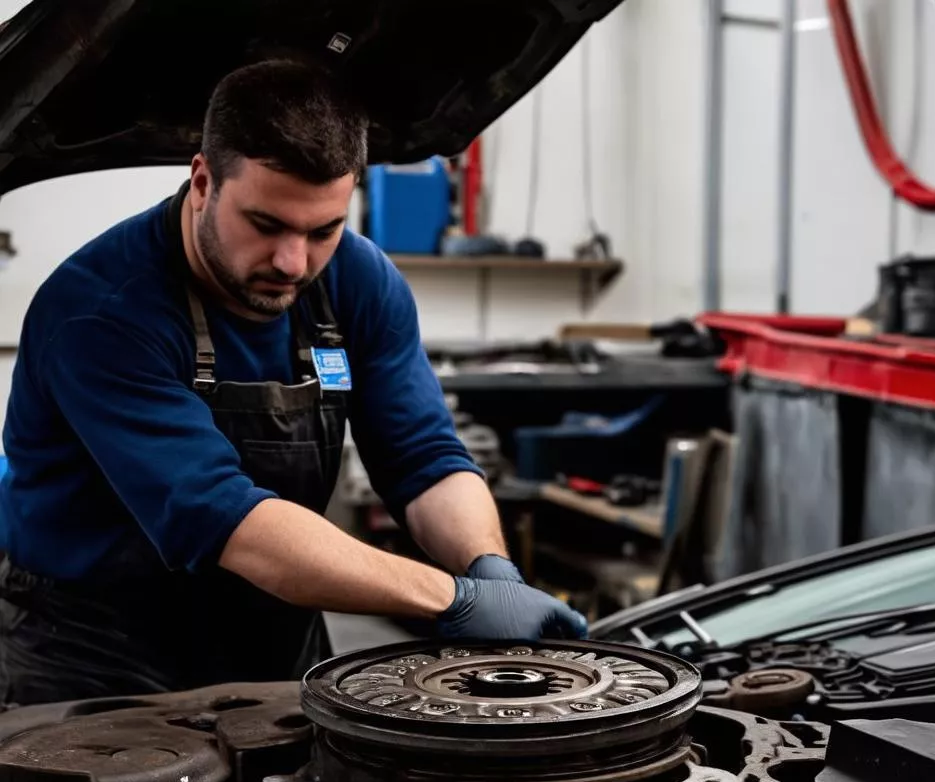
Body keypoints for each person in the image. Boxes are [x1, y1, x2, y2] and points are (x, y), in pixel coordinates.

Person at [0, 59, 586, 705]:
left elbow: (423, 459)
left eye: (323, 230)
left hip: (273, 626)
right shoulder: (102, 311)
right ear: (203, 182)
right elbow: (221, 516)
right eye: (266, 224)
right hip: (93, 647)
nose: (293, 262)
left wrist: (487, 566)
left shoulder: (358, 280)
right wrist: (456, 599)